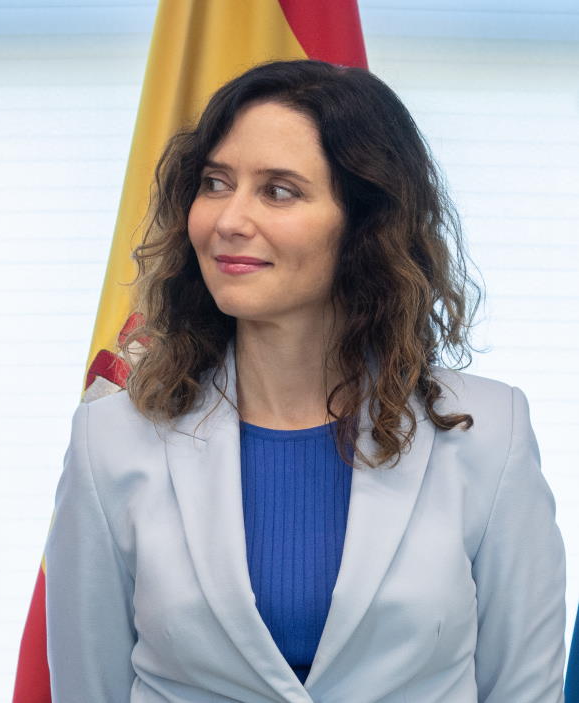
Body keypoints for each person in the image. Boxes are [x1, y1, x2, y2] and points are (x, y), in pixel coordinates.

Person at [44, 60, 564, 701]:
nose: (229, 220)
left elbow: (523, 688)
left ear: (365, 224)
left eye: (279, 191)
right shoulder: (108, 439)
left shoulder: (491, 432)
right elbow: (87, 686)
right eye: (215, 183)